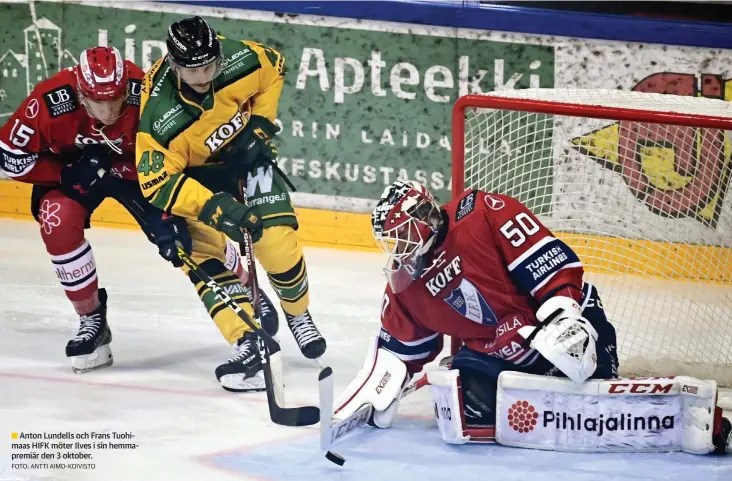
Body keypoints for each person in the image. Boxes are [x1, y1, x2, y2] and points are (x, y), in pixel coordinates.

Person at [334, 180, 731, 455]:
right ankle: (567, 412)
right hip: (503, 358)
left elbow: (547, 264)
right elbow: (401, 348)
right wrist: (382, 389)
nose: (399, 248)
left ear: (424, 216)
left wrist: (563, 317)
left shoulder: (481, 213)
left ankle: (664, 412)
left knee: (566, 352)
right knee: (460, 396)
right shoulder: (407, 284)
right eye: (393, 240)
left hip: (563, 329)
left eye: (404, 234)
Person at [135, 16, 326, 391]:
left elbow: (275, 66)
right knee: (201, 255)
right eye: (194, 70)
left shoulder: (239, 60)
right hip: (196, 179)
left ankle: (298, 313)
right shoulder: (159, 116)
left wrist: (259, 124)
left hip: (246, 158)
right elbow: (157, 183)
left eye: (211, 64)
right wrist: (217, 210)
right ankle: (247, 337)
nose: (205, 75)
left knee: (276, 243)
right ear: (174, 66)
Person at [0, 46, 194, 373]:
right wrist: (60, 174)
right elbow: (8, 154)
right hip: (79, 175)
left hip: (139, 171)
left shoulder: (145, 90)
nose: (108, 112)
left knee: (188, 232)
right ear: (80, 93)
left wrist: (167, 210)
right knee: (56, 221)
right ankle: (92, 321)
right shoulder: (48, 101)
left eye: (115, 101)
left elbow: (180, 147)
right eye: (98, 103)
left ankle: (246, 304)